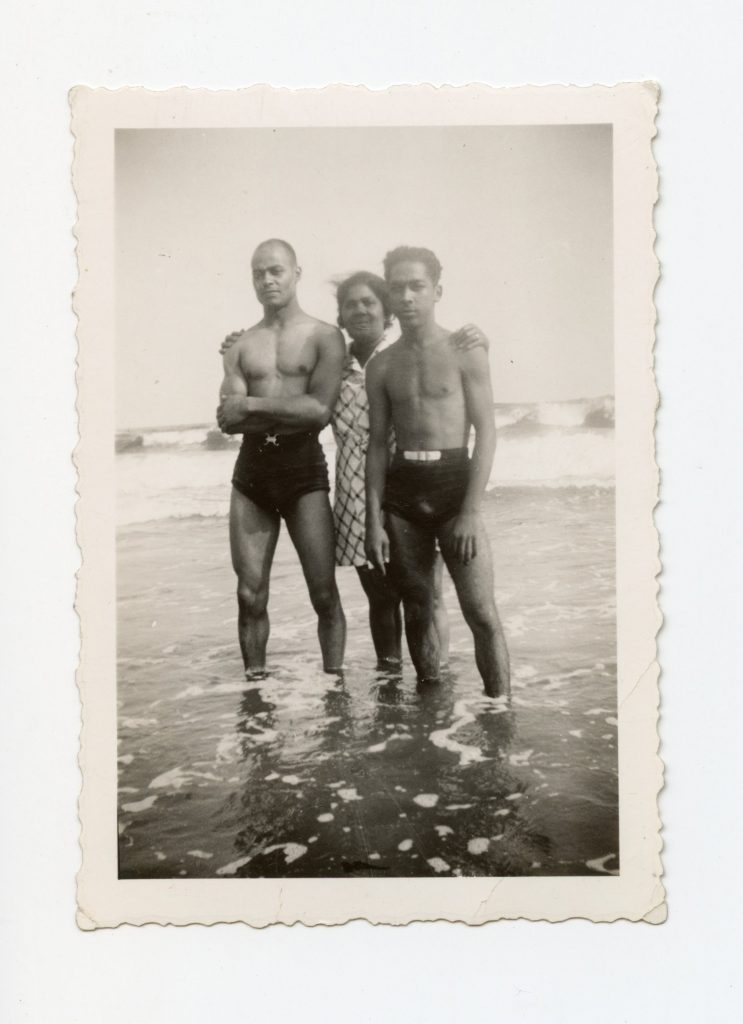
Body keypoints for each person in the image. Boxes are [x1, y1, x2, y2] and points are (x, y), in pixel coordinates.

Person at [365, 246, 510, 697]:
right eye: (397, 287)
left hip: (453, 484)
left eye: (417, 286)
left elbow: (486, 432)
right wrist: (373, 520)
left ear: (437, 291)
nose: (406, 296)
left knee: (481, 611)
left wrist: (470, 511)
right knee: (419, 608)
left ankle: (499, 712)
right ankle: (431, 713)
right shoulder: (381, 365)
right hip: (404, 491)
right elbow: (375, 445)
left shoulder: (465, 351)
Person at [216, 239, 346, 676]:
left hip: (303, 473)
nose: (267, 280)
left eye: (276, 271)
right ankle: (256, 694)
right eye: (258, 273)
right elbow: (228, 420)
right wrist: (283, 412)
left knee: (324, 594)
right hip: (251, 474)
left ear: (296, 273)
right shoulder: (240, 346)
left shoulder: (325, 336)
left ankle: (334, 688)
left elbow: (319, 410)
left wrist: (253, 407)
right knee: (249, 595)